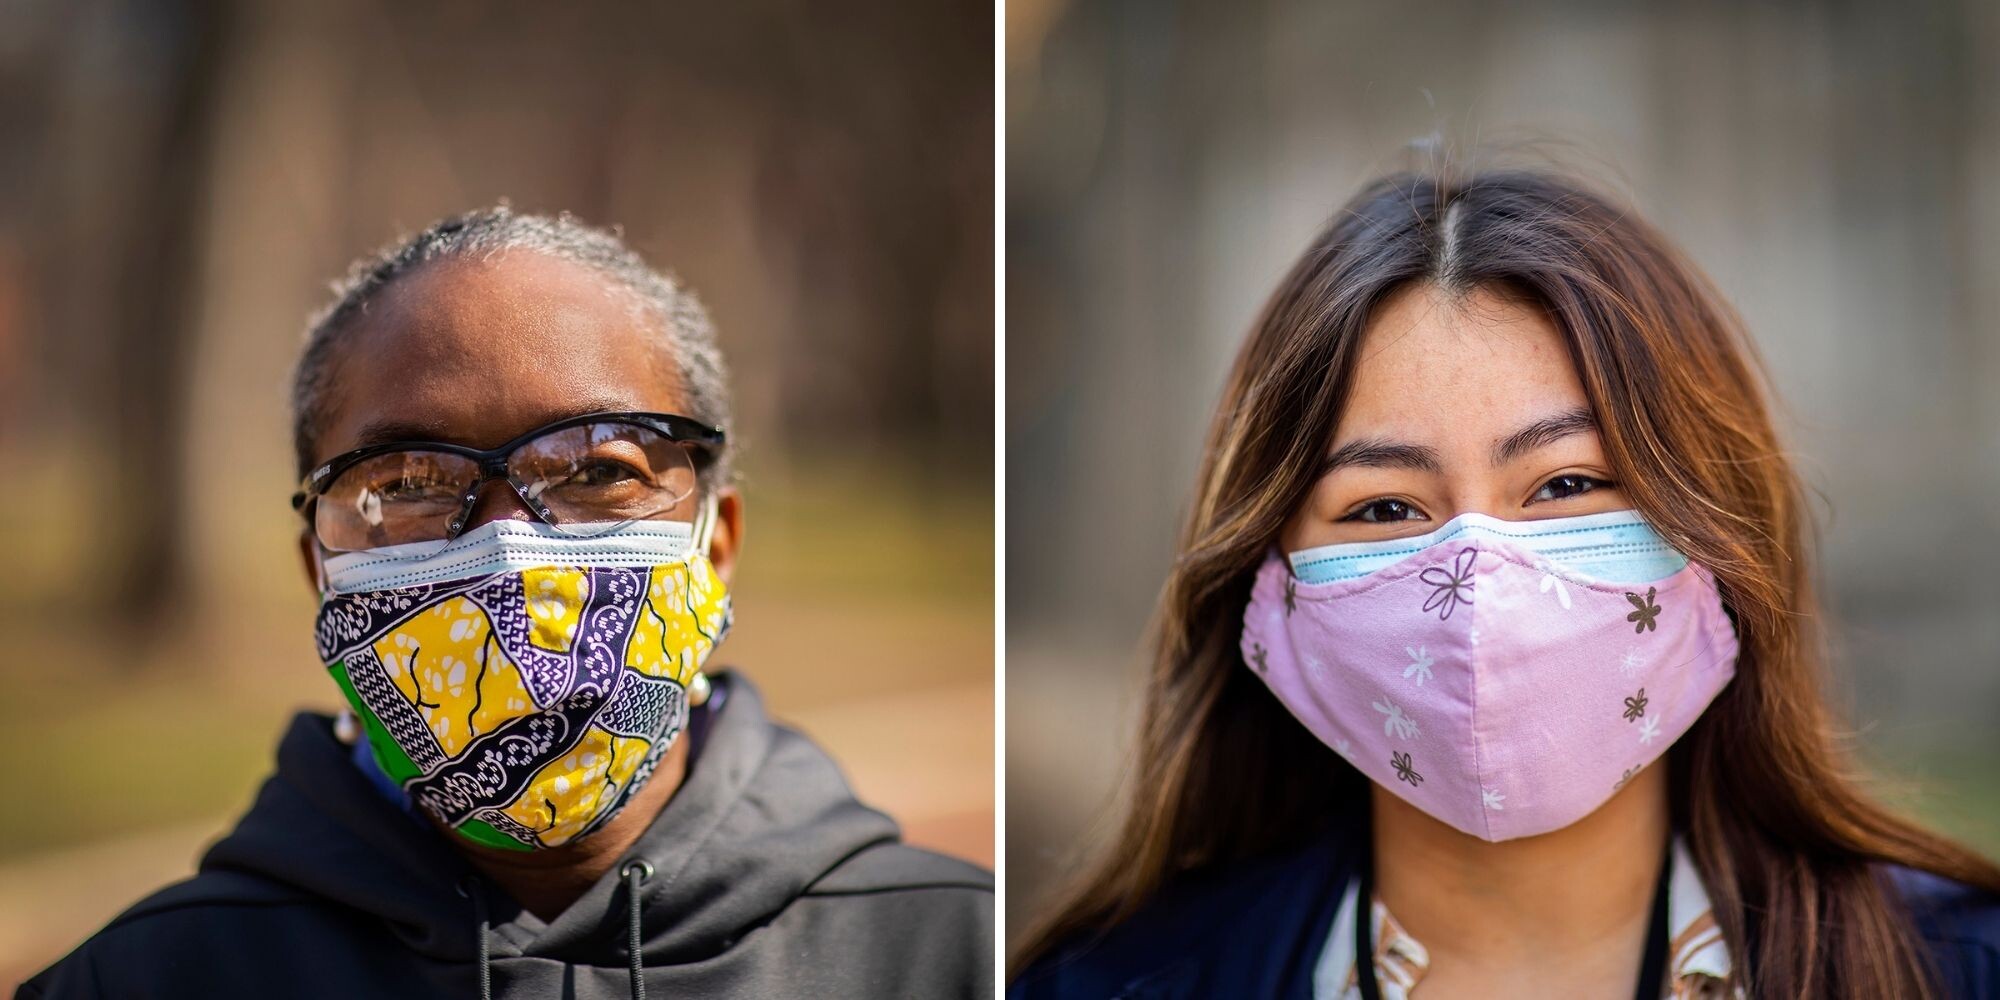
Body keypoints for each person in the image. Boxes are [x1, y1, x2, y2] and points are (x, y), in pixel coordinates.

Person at [1009, 168, 2000, 998]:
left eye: (1565, 484)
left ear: (1714, 532)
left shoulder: (1962, 970)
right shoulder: (1105, 982)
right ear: (1269, 588)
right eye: (1385, 507)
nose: (1475, 581)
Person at [19, 208, 993, 999]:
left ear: (717, 540)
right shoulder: (146, 982)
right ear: (321, 567)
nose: (506, 545)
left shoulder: (955, 956)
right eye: (405, 481)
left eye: (594, 467)